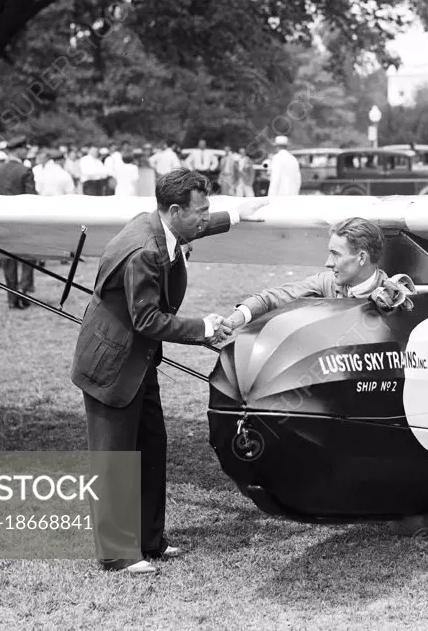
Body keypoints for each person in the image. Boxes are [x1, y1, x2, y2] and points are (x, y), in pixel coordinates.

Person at [69, 168, 267, 574]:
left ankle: (151, 541)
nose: (204, 217)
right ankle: (119, 554)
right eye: (201, 211)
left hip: (138, 361)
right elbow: (147, 320)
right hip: (114, 366)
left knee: (151, 447)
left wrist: (237, 215)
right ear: (175, 210)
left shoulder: (160, 224)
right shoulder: (144, 250)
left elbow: (196, 226)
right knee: (115, 460)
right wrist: (206, 328)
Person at [222, 217, 413, 330]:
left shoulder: (394, 295)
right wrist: (232, 322)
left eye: (336, 254)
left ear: (361, 258)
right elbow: (269, 299)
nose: (327, 263)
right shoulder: (327, 283)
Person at [0, 136, 37, 308]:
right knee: (29, 257)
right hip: (23, 221)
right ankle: (23, 291)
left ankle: (11, 297)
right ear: (19, 150)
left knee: (8, 260)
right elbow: (32, 199)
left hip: (3, 222)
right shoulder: (25, 171)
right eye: (25, 149)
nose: (27, 152)